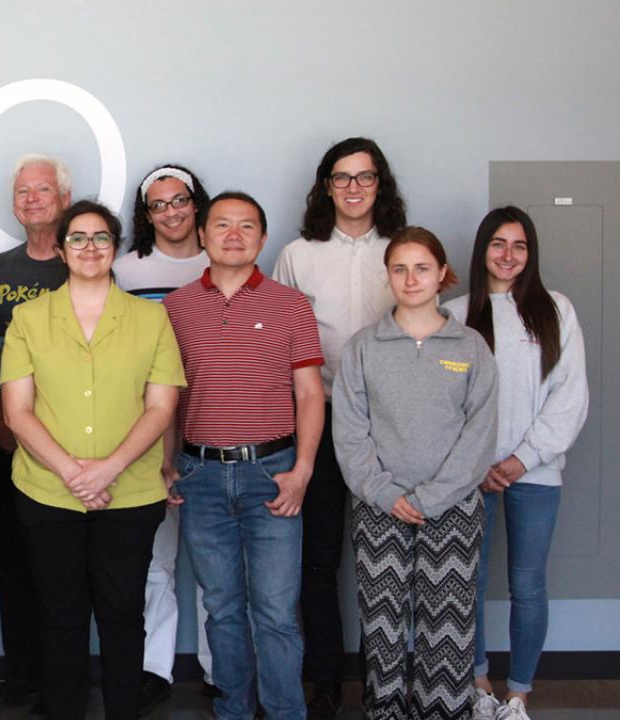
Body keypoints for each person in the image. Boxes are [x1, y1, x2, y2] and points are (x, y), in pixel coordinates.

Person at [1, 199, 185, 720]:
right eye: (77, 238)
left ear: (115, 246)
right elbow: (17, 411)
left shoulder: (151, 319)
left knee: (123, 616)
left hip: (130, 494)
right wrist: (71, 473)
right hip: (47, 494)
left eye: (100, 237)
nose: (89, 247)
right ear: (60, 249)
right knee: (60, 618)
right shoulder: (29, 319)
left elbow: (161, 407)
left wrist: (105, 470)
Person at [164, 191, 324, 720]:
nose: (234, 235)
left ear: (262, 237)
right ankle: (234, 709)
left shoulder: (290, 305)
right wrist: (169, 465)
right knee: (222, 609)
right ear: (203, 236)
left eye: (247, 226)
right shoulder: (177, 307)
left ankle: (285, 713)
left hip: (272, 474)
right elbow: (168, 397)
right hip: (200, 476)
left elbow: (308, 394)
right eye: (223, 226)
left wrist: (302, 470)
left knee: (276, 612)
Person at [334, 227, 497, 720]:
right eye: (399, 269)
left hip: (453, 508)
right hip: (379, 507)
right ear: (388, 277)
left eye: (421, 268)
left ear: (442, 274)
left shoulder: (470, 348)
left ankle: (444, 712)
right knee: (381, 627)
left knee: (448, 624)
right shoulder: (364, 347)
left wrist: (431, 498)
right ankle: (384, 712)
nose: (410, 279)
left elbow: (480, 435)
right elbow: (349, 431)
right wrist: (383, 492)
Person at [272, 136, 408, 718]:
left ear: (381, 185)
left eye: (365, 177)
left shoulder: (404, 251)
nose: (354, 188)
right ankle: (325, 679)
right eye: (342, 178)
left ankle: (391, 685)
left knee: (391, 561)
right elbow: (280, 345)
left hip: (391, 427)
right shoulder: (299, 254)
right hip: (320, 421)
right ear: (326, 186)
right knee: (318, 562)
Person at [442, 208, 588, 720]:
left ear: (531, 254)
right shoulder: (456, 314)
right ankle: (479, 684)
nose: (508, 255)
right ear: (482, 250)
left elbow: (570, 398)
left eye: (519, 245)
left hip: (536, 473)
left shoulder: (556, 310)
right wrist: (476, 463)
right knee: (468, 581)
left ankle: (518, 694)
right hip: (471, 476)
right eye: (498, 244)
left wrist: (522, 459)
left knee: (527, 584)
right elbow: (444, 404)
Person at [111, 163, 217, 713]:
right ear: (146, 214)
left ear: (196, 203)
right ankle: (154, 669)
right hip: (148, 437)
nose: (171, 212)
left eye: (180, 200)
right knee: (156, 561)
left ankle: (220, 667)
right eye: (159, 204)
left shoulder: (224, 258)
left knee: (217, 562)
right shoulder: (125, 270)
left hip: (215, 429)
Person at [0, 154, 71, 713]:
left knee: (59, 569)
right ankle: (22, 676)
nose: (32, 198)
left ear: (62, 198)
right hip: (7, 447)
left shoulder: (83, 261)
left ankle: (60, 682)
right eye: (22, 191)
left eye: (43, 189)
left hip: (69, 452)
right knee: (9, 563)